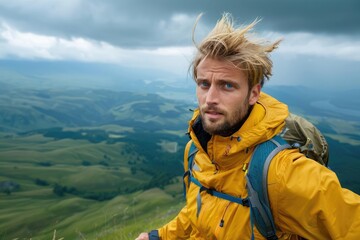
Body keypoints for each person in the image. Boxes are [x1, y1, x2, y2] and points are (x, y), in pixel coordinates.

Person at [136, 13, 360, 240]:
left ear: (253, 93)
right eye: (204, 84)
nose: (210, 98)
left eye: (227, 86)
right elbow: (197, 216)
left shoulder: (283, 173)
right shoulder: (197, 151)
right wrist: (158, 237)